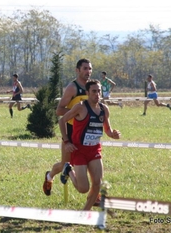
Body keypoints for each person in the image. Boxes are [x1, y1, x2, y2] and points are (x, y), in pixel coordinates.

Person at [59, 79, 121, 210]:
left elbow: (107, 130)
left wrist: (113, 134)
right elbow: (62, 120)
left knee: (97, 184)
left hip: (94, 150)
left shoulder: (104, 109)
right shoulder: (80, 107)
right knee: (83, 188)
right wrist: (66, 141)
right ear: (87, 92)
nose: (97, 94)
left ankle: (84, 212)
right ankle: (68, 170)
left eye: (99, 91)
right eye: (94, 91)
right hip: (79, 150)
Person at [43, 59, 92, 196]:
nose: (88, 71)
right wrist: (76, 114)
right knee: (66, 164)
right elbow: (59, 110)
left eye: (89, 69)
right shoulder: (73, 87)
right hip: (72, 131)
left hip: (87, 132)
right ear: (77, 70)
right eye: (85, 68)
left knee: (91, 163)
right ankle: (49, 176)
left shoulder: (92, 88)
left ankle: (95, 195)